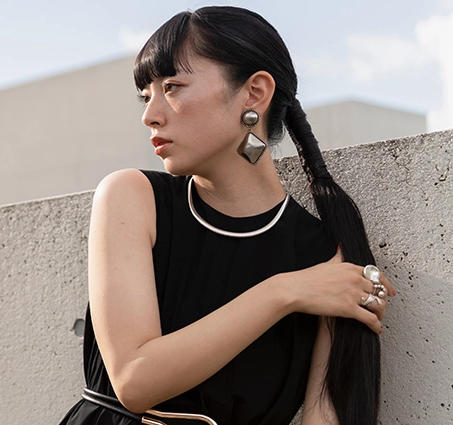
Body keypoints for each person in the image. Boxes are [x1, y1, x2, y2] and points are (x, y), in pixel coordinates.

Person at [57, 6, 397, 425]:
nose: (150, 115)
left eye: (173, 87)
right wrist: (281, 293)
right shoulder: (133, 197)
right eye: (146, 96)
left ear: (254, 93)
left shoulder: (324, 258)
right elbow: (133, 380)